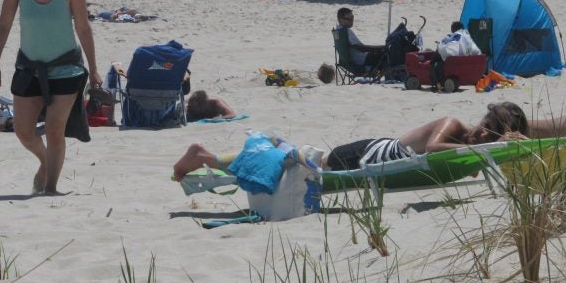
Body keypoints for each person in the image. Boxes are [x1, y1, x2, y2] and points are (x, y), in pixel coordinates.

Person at [0, 0, 101, 196]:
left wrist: (94, 68)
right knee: (24, 132)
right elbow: (4, 23)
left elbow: (84, 28)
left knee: (54, 128)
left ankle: (51, 188)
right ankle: (44, 162)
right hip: (28, 66)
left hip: (67, 67)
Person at [172, 103, 529, 181]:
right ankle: (205, 157)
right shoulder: (452, 125)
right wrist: (485, 147)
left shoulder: (474, 147)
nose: (483, 133)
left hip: (373, 157)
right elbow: (433, 150)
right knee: (295, 167)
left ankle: (277, 142)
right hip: (367, 153)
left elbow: (460, 169)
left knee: (299, 160)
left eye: (492, 132)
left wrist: (503, 148)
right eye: (486, 125)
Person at [429, 21, 482, 89]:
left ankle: (436, 82)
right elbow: (476, 51)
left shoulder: (454, 35)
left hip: (449, 55)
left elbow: (444, 46)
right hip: (461, 58)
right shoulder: (467, 36)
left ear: (453, 30)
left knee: (432, 62)